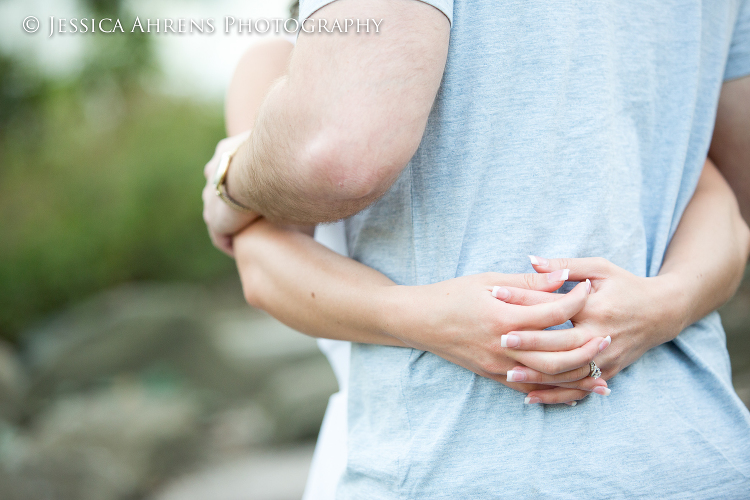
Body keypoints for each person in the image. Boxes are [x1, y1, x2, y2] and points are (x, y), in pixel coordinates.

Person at [203, 0, 750, 496]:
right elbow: (726, 192)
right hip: (704, 450)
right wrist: (665, 304)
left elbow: (292, 221)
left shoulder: (283, 69)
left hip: (454, 465)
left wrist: (227, 179)